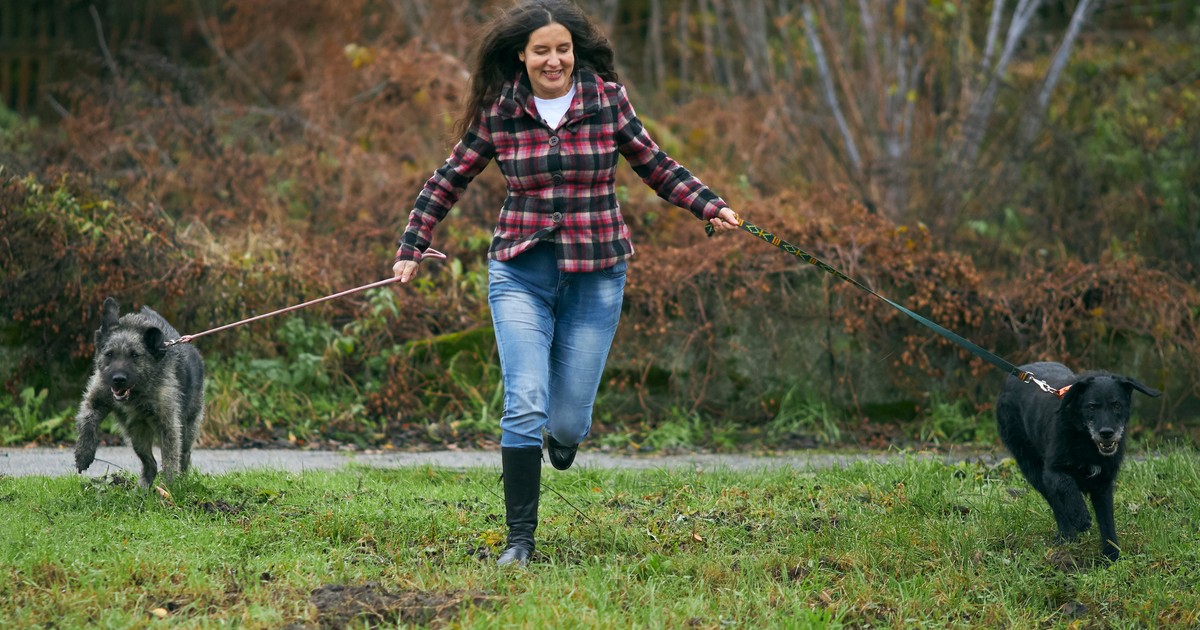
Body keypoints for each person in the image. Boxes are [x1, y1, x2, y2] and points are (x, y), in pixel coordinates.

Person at [392, 0, 739, 567]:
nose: (554, 61)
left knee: (570, 419)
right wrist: (412, 244)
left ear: (575, 52)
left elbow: (656, 164)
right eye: (541, 51)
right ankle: (519, 542)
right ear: (521, 57)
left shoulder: (606, 98)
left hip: (597, 272)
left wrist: (708, 206)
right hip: (520, 270)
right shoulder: (500, 110)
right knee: (524, 400)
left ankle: (563, 437)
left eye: (562, 49)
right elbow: (448, 178)